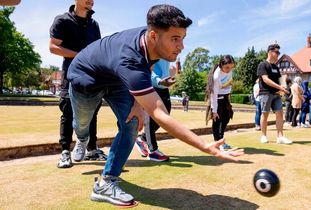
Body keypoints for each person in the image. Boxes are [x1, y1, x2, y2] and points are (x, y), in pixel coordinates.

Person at [66, 4, 243, 207]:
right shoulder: (130, 59)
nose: (181, 47)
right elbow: (159, 112)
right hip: (86, 79)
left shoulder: (150, 42)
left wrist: (136, 104)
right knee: (82, 124)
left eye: (182, 38)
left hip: (116, 79)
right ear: (153, 36)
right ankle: (81, 138)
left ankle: (106, 183)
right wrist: (205, 146)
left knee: (131, 124)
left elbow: (148, 65)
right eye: (175, 39)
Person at [49, 0, 106, 168]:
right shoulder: (62, 20)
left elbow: (97, 50)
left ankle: (91, 149)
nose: (91, 1)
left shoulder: (94, 24)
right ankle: (65, 152)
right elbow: (53, 47)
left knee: (92, 110)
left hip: (92, 74)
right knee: (67, 110)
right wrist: (80, 56)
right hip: (71, 73)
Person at [135, 59, 175, 162]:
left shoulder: (167, 53)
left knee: (165, 116)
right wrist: (159, 80)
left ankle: (143, 138)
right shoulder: (155, 50)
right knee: (150, 118)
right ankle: (153, 151)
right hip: (151, 86)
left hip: (163, 86)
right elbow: (148, 69)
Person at [257, 44, 292, 144]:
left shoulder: (276, 67)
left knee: (280, 113)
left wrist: (283, 86)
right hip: (265, 93)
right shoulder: (263, 65)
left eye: (278, 53)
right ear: (270, 52)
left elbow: (280, 79)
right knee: (265, 114)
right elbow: (265, 79)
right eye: (276, 52)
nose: (278, 54)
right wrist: (280, 87)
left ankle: (280, 137)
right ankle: (263, 136)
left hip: (276, 94)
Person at [205, 55, 235, 150]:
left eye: (231, 67)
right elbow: (214, 94)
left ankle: (220, 140)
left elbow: (229, 83)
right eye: (227, 67)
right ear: (221, 65)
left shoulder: (229, 71)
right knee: (217, 119)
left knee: (226, 118)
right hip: (217, 98)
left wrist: (228, 94)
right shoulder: (216, 76)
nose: (229, 70)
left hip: (225, 97)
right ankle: (218, 142)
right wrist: (214, 110)